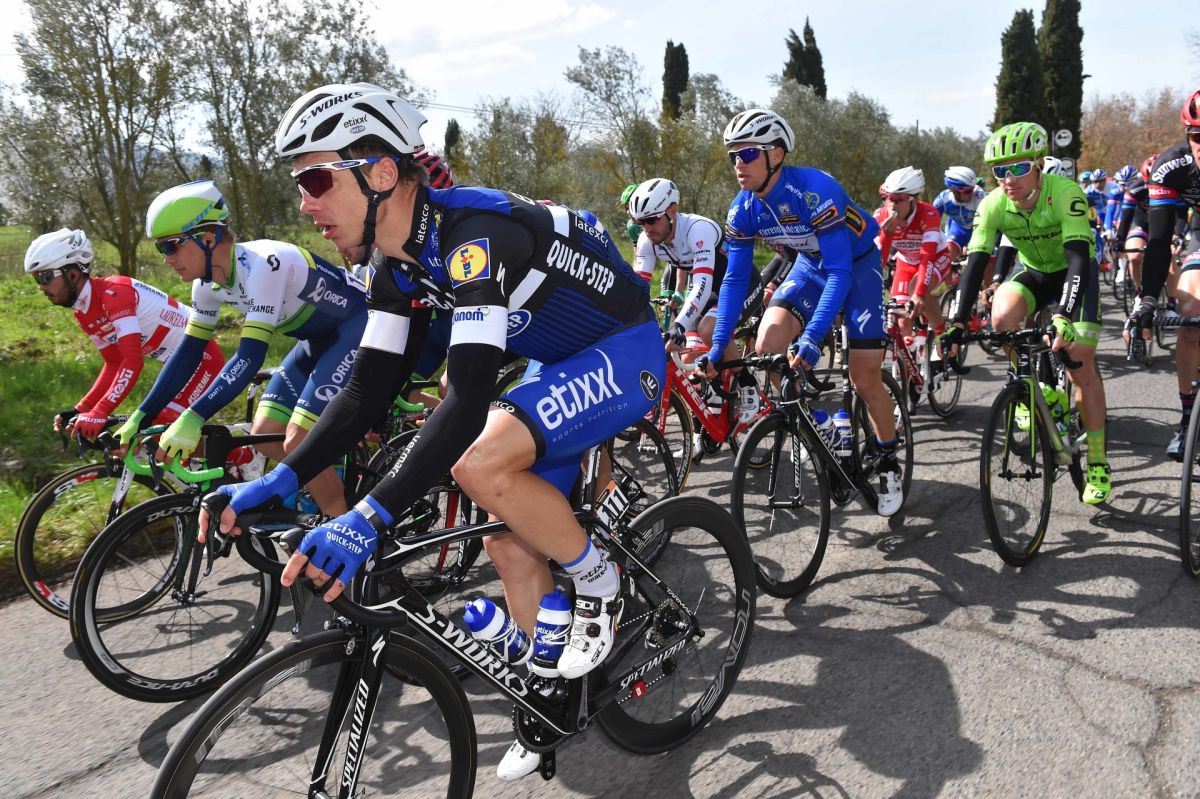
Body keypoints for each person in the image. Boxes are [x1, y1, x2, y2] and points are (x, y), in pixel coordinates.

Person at [204, 82, 665, 780]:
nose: (305, 204)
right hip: (558, 359)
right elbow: (366, 390)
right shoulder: (397, 267)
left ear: (381, 173)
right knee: (506, 537)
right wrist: (277, 479)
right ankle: (551, 695)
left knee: (479, 464)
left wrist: (367, 516)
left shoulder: (472, 238)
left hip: (624, 349)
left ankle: (600, 581)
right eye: (300, 186)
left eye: (316, 181)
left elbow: (470, 397)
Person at [115, 180, 368, 516]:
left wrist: (193, 417)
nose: (166, 260)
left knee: (297, 440)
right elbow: (188, 352)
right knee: (265, 436)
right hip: (315, 341)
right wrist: (142, 415)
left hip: (356, 328)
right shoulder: (205, 286)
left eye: (170, 246)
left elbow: (250, 356)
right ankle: (331, 476)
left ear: (207, 239)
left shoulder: (263, 264)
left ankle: (346, 531)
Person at [707, 107, 904, 516]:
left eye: (748, 154)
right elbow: (734, 281)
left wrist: (813, 338)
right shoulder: (743, 208)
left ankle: (888, 459)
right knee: (767, 346)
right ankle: (820, 425)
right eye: (733, 156)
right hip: (811, 267)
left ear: (776, 154)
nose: (738, 164)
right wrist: (716, 349)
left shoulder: (815, 189)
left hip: (857, 266)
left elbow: (840, 271)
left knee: (864, 377)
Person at [942, 121, 1111, 504]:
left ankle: (1098, 461)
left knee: (1080, 362)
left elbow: (1078, 259)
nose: (1008, 179)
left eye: (1018, 168)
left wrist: (1064, 314)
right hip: (1034, 273)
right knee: (1000, 319)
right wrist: (956, 322)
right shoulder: (993, 203)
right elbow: (976, 262)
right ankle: (1034, 388)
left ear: (1037, 164)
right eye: (1000, 170)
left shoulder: (1065, 193)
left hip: (1074, 274)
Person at [25, 228, 224, 442]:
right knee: (151, 437)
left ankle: (238, 458)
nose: (41, 287)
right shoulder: (84, 311)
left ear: (72, 274)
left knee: (157, 432)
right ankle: (223, 461)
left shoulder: (115, 295)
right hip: (180, 367)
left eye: (45, 277)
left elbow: (132, 360)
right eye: (37, 279)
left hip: (204, 359)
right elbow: (114, 362)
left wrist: (100, 411)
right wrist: (81, 409)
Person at [628, 178, 762, 390]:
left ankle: (748, 385)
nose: (646, 228)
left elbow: (701, 285)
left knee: (708, 330)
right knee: (688, 353)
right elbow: (636, 290)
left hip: (742, 285)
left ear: (672, 211)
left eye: (652, 219)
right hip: (711, 292)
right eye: (640, 222)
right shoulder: (648, 241)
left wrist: (678, 325)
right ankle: (716, 390)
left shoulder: (698, 230)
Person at [1129, 90, 1200, 459]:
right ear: (1187, 135)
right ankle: (1188, 419)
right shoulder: (1171, 166)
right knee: (1190, 316)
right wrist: (1147, 299)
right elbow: (1157, 242)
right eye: (1198, 136)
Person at [875, 166, 953, 343]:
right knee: (902, 319)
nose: (892, 205)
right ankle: (912, 356)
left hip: (936, 258)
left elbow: (928, 256)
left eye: (898, 200)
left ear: (914, 200)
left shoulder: (928, 214)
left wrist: (919, 294)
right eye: (888, 198)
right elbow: (880, 262)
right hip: (906, 262)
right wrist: (887, 235)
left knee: (916, 290)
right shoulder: (881, 216)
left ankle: (941, 335)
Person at [932, 166, 986, 261]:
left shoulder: (979, 196)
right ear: (954, 190)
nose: (972, 193)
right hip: (959, 229)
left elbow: (986, 223)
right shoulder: (942, 201)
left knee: (983, 259)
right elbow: (932, 227)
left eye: (973, 188)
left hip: (979, 228)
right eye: (968, 191)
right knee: (947, 256)